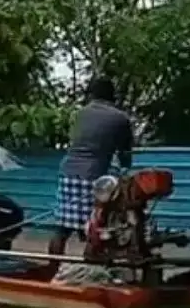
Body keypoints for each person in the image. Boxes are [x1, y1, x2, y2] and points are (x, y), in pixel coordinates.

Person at [49, 77, 134, 255]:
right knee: (96, 227)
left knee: (61, 229)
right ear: (113, 96)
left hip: (68, 173)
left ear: (91, 94)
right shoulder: (120, 118)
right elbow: (125, 153)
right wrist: (125, 167)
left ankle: (52, 269)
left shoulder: (80, 113)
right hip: (96, 176)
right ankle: (89, 270)